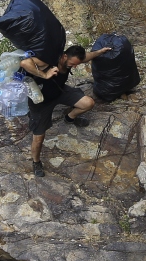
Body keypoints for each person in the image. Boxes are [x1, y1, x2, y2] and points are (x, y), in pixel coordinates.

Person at [20, 44, 111, 177]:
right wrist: (44, 75)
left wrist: (101, 51)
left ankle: (69, 117)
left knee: (88, 103)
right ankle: (36, 162)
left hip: (60, 92)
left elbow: (87, 57)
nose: (74, 67)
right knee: (39, 138)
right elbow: (24, 62)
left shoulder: (72, 60)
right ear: (64, 56)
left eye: (76, 65)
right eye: (72, 64)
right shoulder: (49, 60)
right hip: (41, 100)